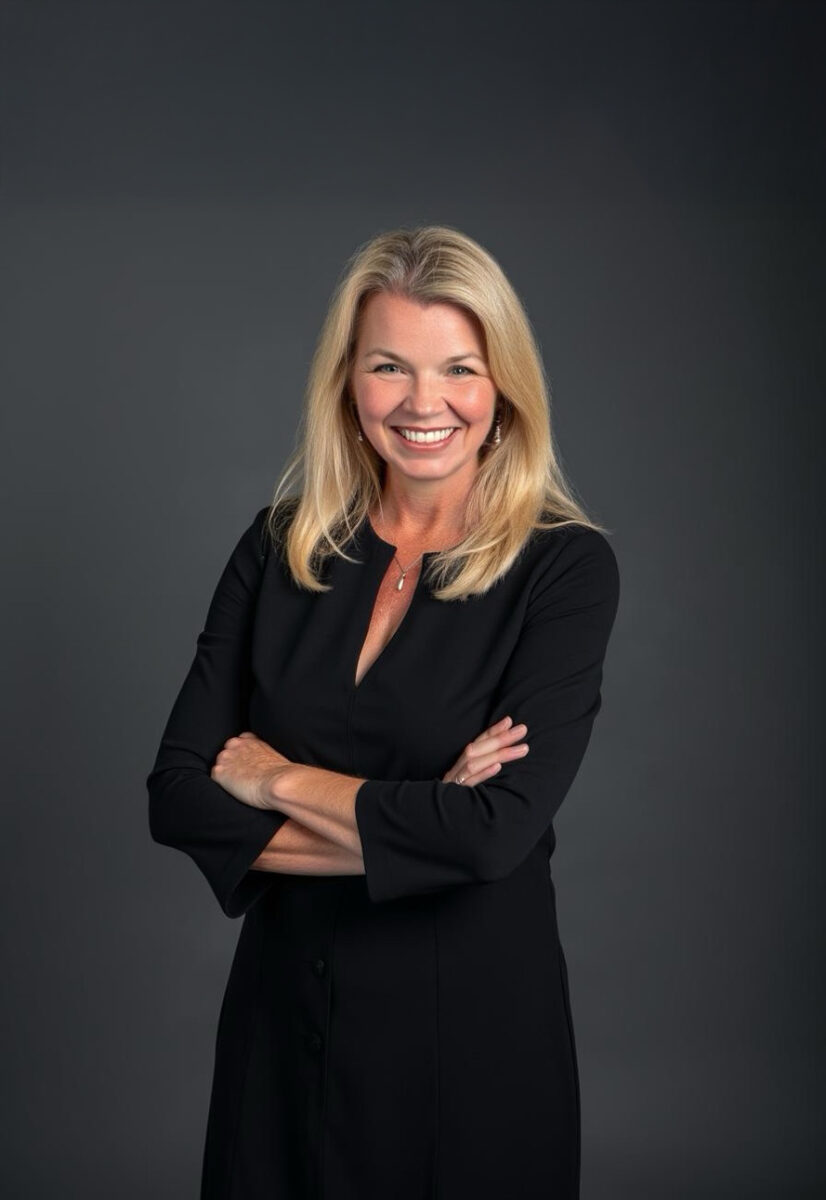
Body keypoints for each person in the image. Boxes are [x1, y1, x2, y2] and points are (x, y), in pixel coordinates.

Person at [146, 224, 620, 1200]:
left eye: (458, 369)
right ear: (348, 383)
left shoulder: (565, 569)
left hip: (468, 1052)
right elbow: (178, 796)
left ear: (503, 388)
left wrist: (276, 779)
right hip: (281, 1035)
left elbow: (492, 835)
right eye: (389, 366)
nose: (422, 402)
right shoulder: (277, 545)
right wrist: (420, 820)